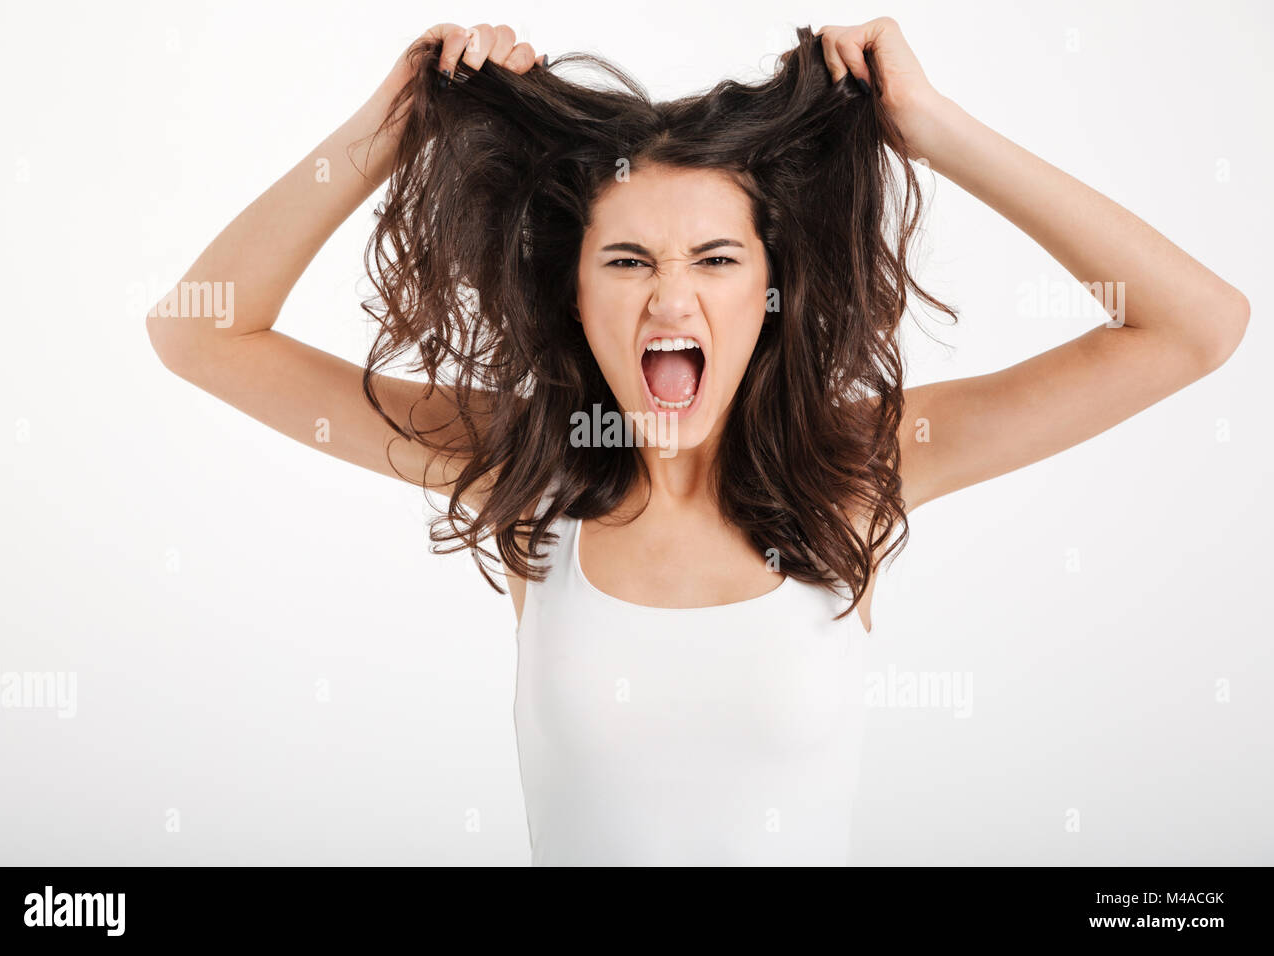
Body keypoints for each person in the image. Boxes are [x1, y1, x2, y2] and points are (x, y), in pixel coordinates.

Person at [145, 19, 1249, 865]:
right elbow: (199, 331)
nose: (671, 297)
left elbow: (1195, 325)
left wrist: (932, 127)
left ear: (772, 285)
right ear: (572, 290)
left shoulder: (859, 467)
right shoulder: (530, 472)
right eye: (627, 261)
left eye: (716, 259)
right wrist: (394, 124)